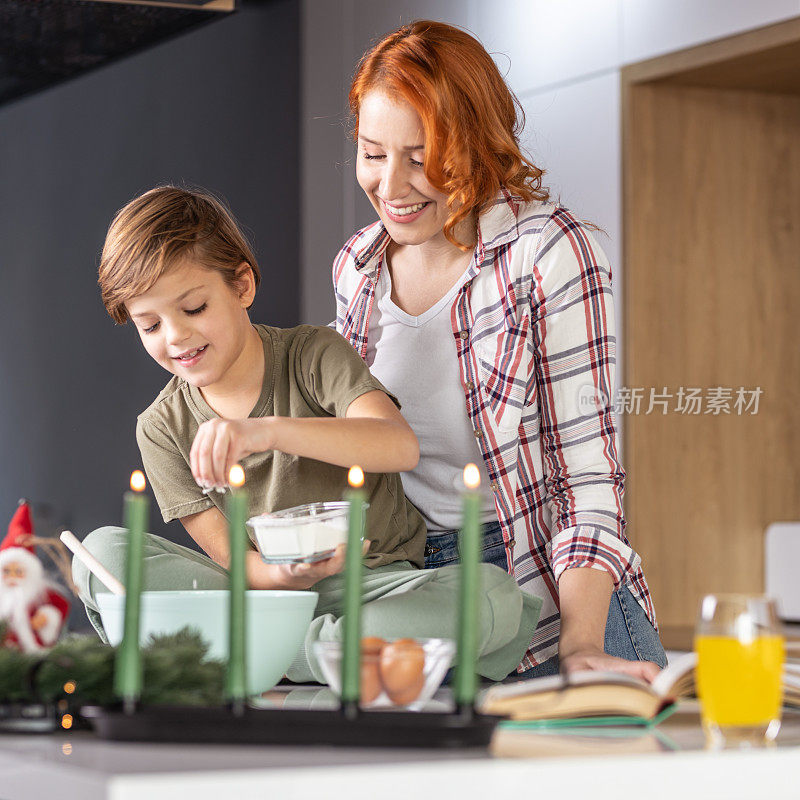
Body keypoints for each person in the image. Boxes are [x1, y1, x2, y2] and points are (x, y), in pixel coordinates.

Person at [73, 185, 541, 684]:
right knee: (99, 555)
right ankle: (317, 654)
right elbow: (234, 562)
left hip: (375, 588)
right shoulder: (162, 429)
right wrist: (281, 578)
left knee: (493, 598)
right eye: (150, 326)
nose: (175, 338)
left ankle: (268, 654)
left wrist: (267, 432)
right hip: (261, 600)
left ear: (242, 286)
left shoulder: (313, 354)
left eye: (193, 309)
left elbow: (397, 445)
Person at [333, 20, 667, 680]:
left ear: (476, 145)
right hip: (414, 594)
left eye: (422, 157)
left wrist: (580, 646)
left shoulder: (549, 254)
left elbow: (588, 484)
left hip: (547, 601)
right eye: (374, 153)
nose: (392, 185)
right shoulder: (357, 269)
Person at [0, 502, 70, 653]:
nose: (12, 577)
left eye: (19, 572)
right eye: (6, 571)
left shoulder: (40, 594)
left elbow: (60, 605)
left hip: (35, 655)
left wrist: (47, 616)